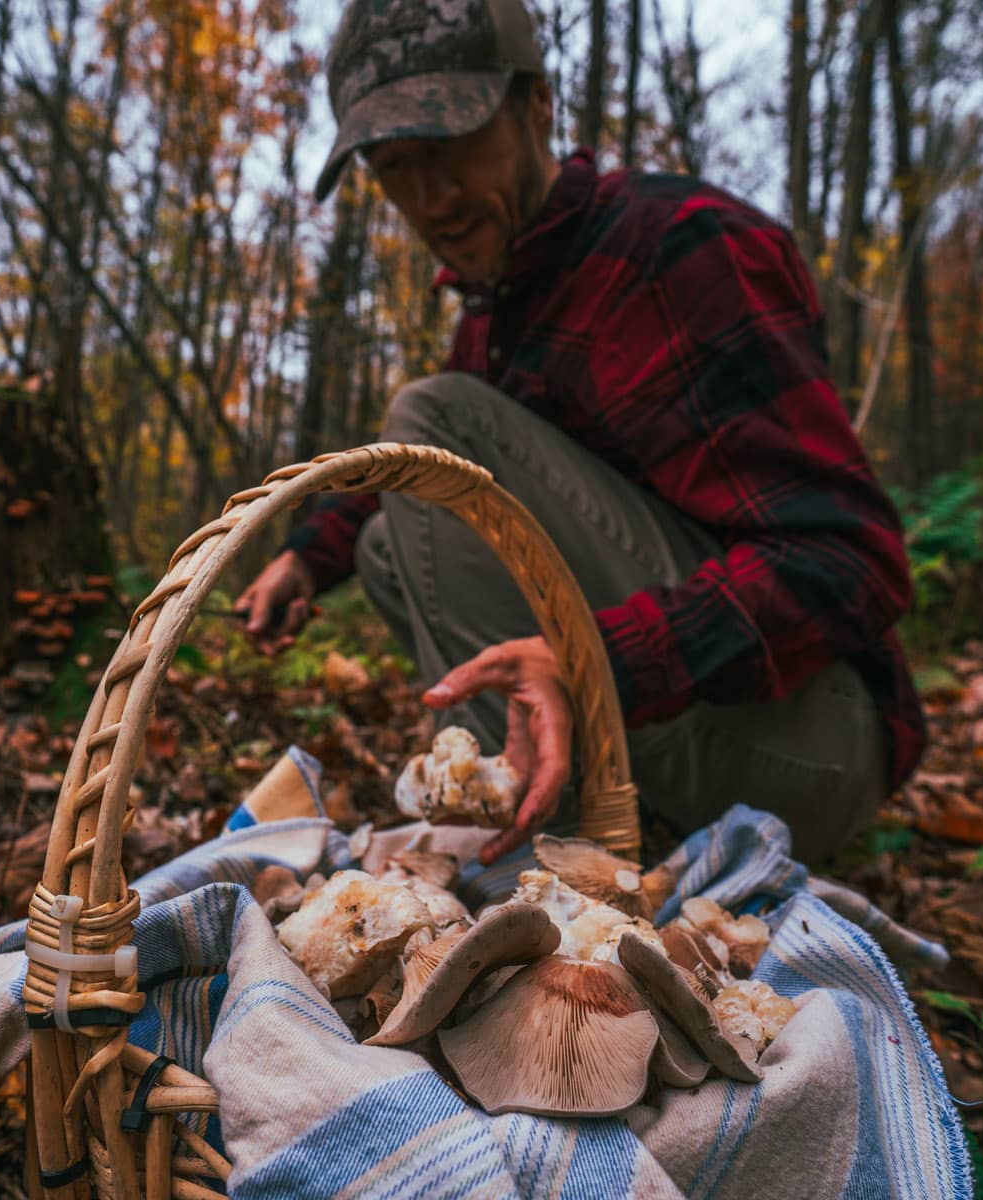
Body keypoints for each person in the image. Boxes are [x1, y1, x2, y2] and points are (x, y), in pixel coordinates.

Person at [235, 0, 925, 869]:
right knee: (385, 540)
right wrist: (306, 555)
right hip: (683, 737)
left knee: (431, 417)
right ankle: (542, 822)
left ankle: (536, 861)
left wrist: (595, 660)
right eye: (395, 166)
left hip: (809, 752)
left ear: (537, 107)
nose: (430, 200)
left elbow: (851, 562)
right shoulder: (501, 310)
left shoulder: (681, 249)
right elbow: (417, 484)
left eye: (452, 146)